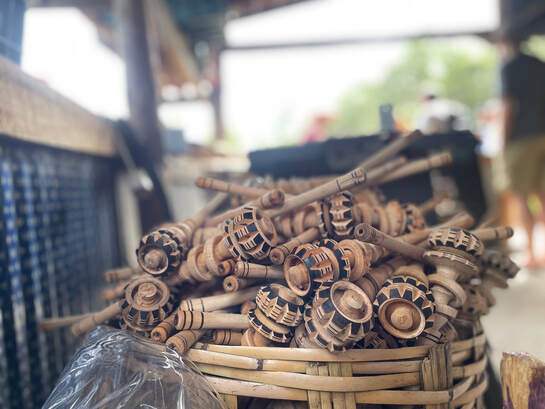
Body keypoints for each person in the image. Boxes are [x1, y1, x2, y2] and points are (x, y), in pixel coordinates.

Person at [500, 34, 545, 267]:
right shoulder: (539, 63)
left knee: (523, 196)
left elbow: (509, 106)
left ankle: (532, 253)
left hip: (522, 139)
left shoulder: (509, 67)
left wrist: (503, 141)